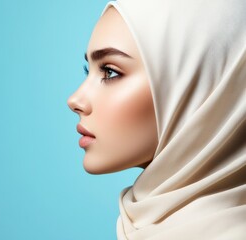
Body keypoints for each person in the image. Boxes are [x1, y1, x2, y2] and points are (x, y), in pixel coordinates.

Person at [67, 0, 246, 239]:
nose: (75, 100)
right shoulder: (138, 227)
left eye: (110, 72)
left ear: (204, 90)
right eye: (89, 70)